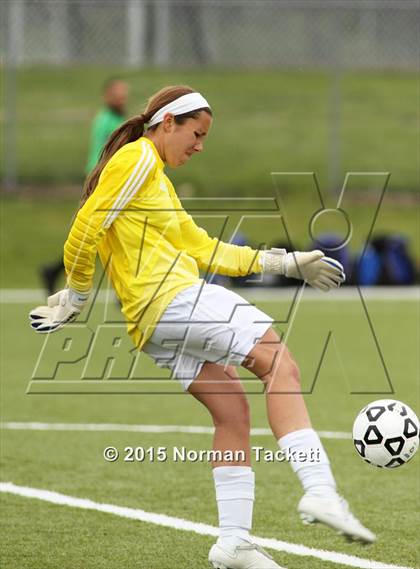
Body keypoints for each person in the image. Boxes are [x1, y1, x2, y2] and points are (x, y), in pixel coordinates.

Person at [29, 86, 375, 569]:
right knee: (280, 364)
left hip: (151, 326)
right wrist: (79, 294)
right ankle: (321, 491)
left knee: (232, 412)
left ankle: (233, 542)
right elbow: (86, 226)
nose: (200, 145)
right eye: (196, 133)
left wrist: (286, 262)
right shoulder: (139, 160)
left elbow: (205, 248)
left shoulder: (154, 177)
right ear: (167, 123)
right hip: (173, 300)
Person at [39, 78, 130, 295]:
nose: (122, 98)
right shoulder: (108, 121)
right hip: (102, 181)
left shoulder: (114, 119)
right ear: (106, 96)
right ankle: (121, 289)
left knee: (103, 235)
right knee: (100, 234)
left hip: (106, 180)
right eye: (117, 94)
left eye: (124, 94)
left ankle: (52, 271)